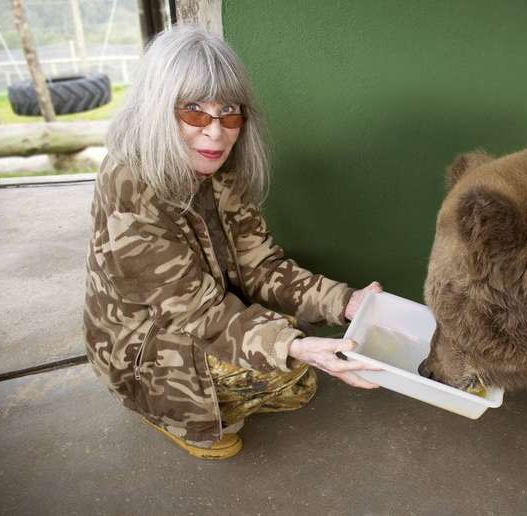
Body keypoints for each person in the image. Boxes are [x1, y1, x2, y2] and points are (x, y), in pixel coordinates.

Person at [83, 26, 382, 460]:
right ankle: (161, 409)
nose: (217, 133)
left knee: (296, 380)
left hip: (202, 308)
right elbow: (195, 310)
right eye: (193, 111)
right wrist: (294, 346)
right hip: (141, 344)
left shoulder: (222, 169)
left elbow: (261, 266)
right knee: (289, 369)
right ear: (154, 109)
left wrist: (348, 302)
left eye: (229, 112)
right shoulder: (129, 188)